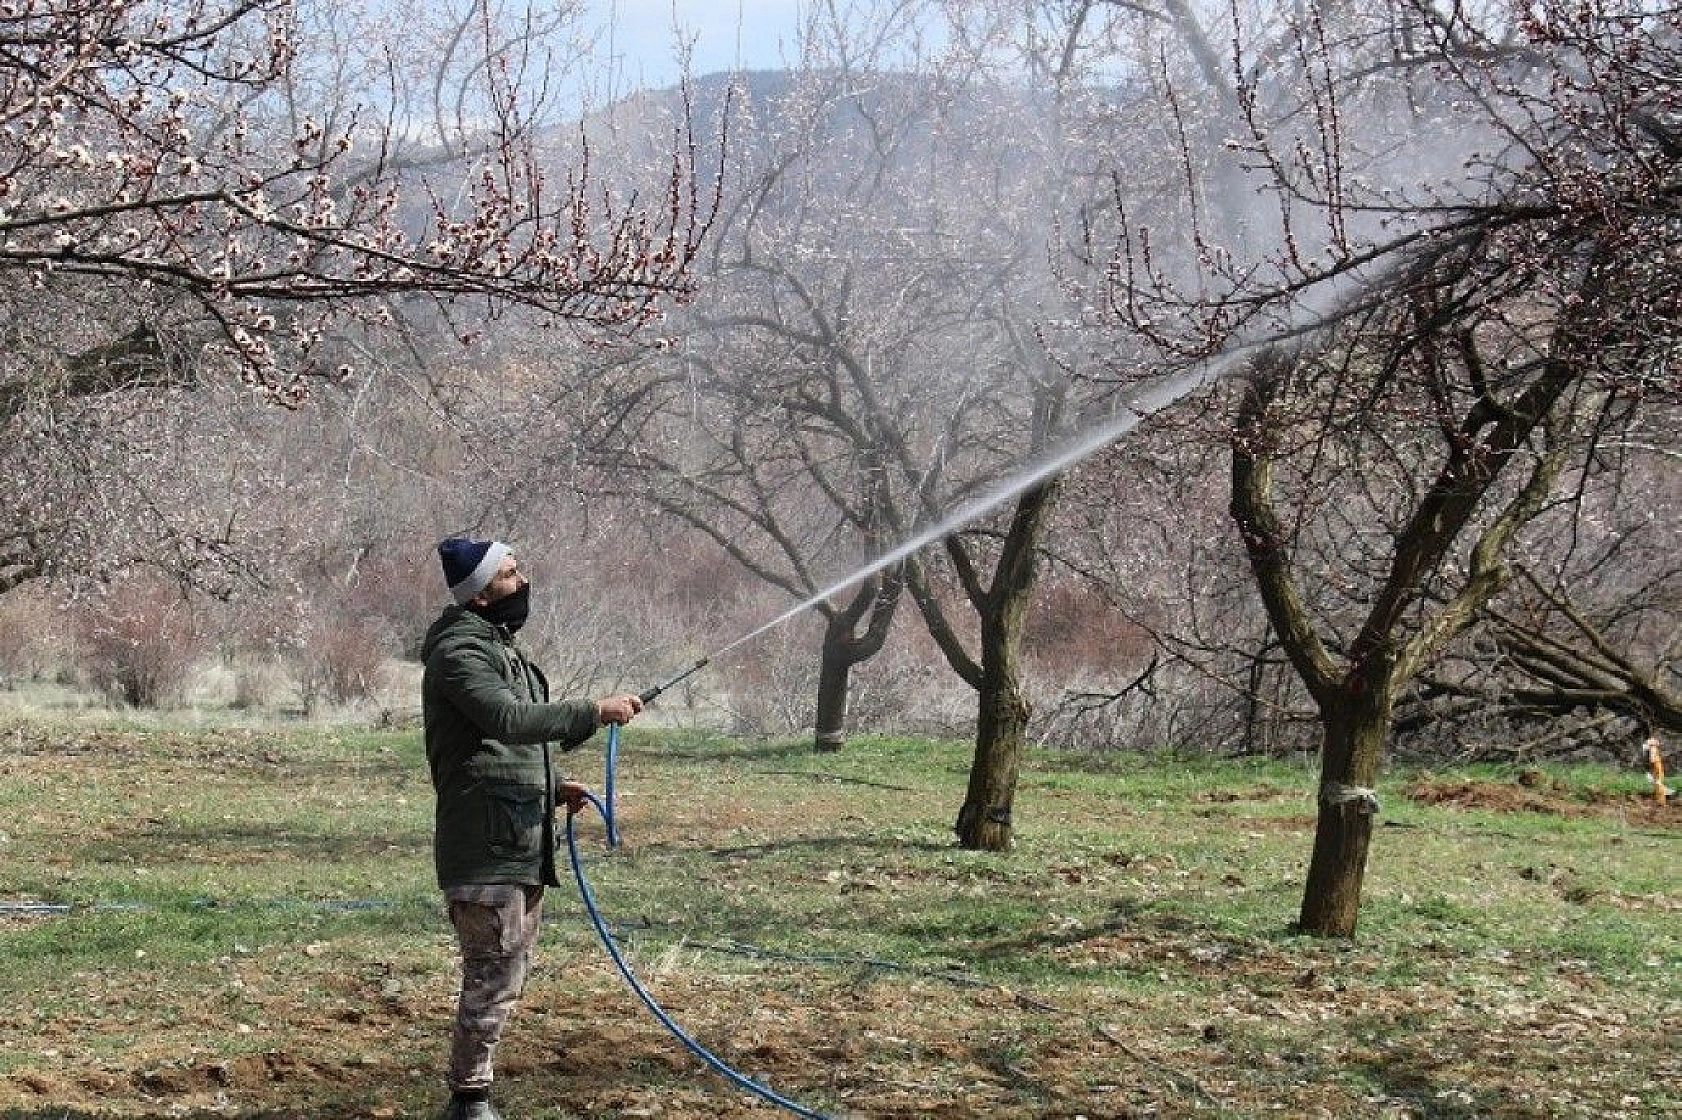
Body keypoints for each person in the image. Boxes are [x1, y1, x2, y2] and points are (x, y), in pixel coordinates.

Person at [420, 536, 643, 1120]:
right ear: (480, 594)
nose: (523, 583)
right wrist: (592, 710)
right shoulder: (458, 653)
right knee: (492, 976)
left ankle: (474, 1097)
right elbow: (506, 718)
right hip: (486, 845)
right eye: (511, 575)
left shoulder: (497, 646)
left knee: (506, 974)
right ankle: (469, 1104)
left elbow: (499, 744)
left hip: (517, 836)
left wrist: (555, 784)